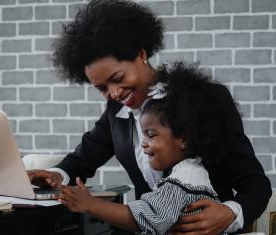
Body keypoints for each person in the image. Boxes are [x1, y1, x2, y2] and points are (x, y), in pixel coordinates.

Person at [27, 0, 271, 233]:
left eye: (118, 78)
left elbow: (256, 185)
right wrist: (57, 175)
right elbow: (84, 158)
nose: (113, 93)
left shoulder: (204, 100)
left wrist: (228, 214)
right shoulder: (116, 111)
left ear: (140, 54)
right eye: (101, 88)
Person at [58, 63, 230, 234]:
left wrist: (91, 204)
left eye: (151, 135)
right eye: (102, 88)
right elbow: (87, 152)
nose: (143, 143)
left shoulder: (185, 180)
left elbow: (145, 218)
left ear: (183, 140)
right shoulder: (190, 173)